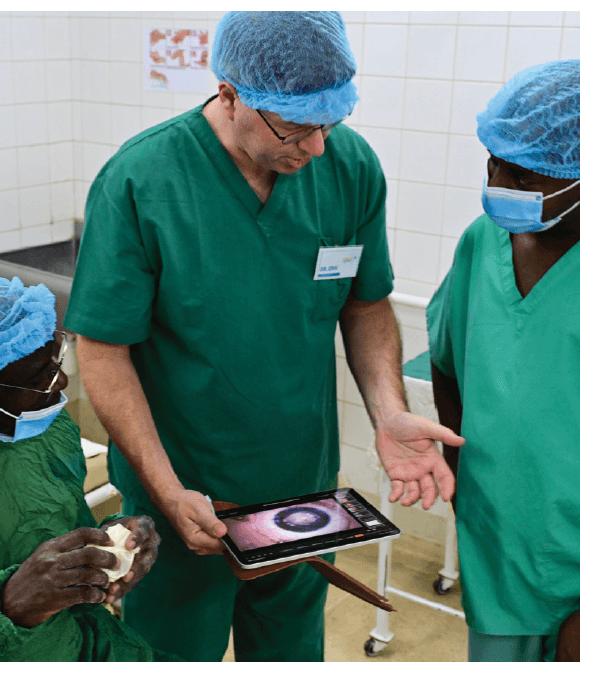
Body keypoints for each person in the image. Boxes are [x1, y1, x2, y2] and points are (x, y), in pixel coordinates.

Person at [64, 11, 464, 661]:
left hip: (301, 495)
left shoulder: (349, 167)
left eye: (330, 124)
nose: (316, 150)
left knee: (289, 653)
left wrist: (390, 414)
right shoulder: (143, 180)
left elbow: (365, 307)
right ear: (229, 94)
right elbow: (104, 350)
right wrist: (166, 489)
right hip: (184, 498)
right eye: (296, 129)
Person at [428, 59, 579, 663]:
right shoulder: (481, 241)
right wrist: (459, 473)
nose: (498, 184)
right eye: (493, 163)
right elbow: (446, 360)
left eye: (522, 174)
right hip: (500, 541)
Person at [0, 270, 169, 661]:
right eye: (41, 379)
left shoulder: (48, 429)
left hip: (86, 644)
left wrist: (112, 544)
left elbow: (58, 521)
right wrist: (13, 608)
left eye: (56, 363)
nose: (62, 383)